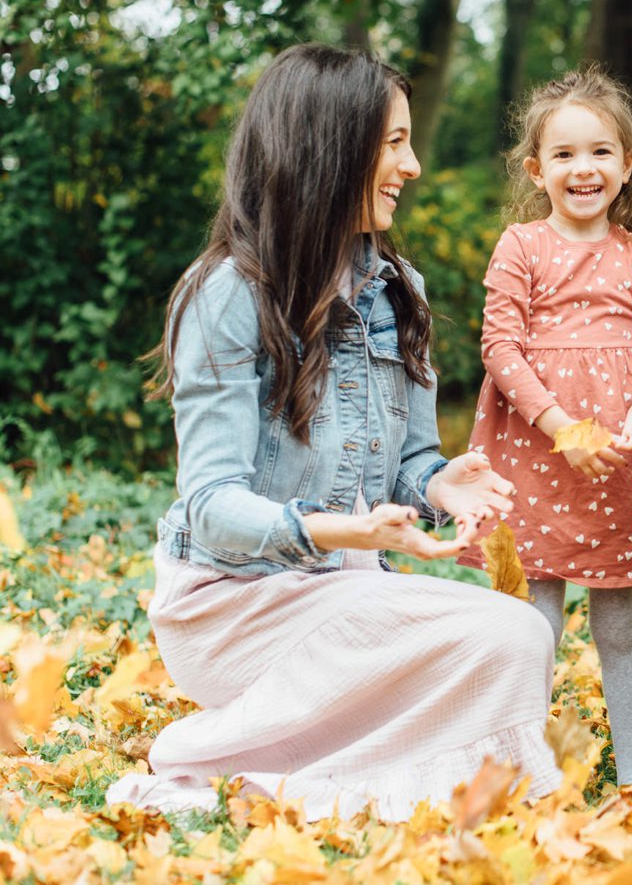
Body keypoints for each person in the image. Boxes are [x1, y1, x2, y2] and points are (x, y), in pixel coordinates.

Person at [105, 44, 562, 821]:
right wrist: (339, 531)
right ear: (330, 147)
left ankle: (302, 766)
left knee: (517, 638)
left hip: (346, 590)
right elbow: (211, 505)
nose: (412, 165)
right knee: (511, 631)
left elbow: (411, 460)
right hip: (234, 601)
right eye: (393, 142)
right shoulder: (225, 294)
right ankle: (208, 757)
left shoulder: (399, 290)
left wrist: (440, 481)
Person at [462, 66, 632, 790]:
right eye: (563, 154)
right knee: (534, 622)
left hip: (617, 460)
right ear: (536, 168)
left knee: (619, 624)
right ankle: (518, 767)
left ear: (625, 165)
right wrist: (559, 425)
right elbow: (500, 346)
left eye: (599, 152)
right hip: (534, 454)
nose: (582, 168)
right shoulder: (520, 246)